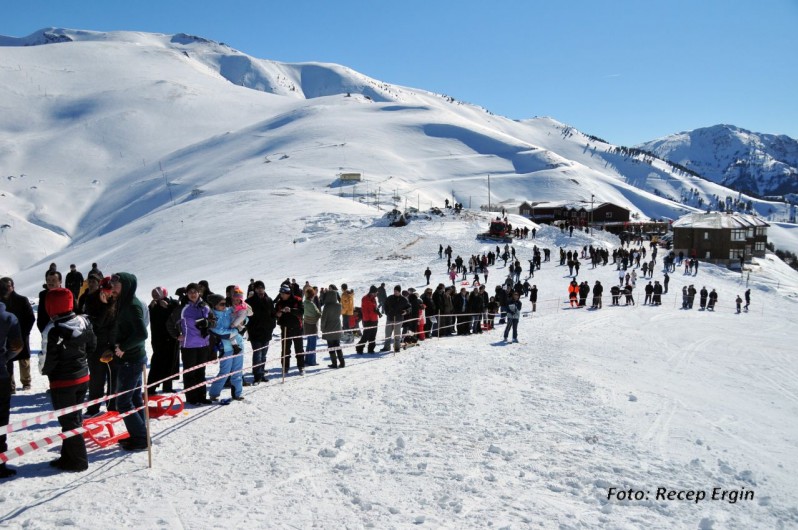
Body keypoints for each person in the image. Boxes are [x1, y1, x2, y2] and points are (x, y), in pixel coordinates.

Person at [40, 287, 95, 471]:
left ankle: (79, 461)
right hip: (83, 376)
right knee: (74, 419)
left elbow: (46, 361)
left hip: (63, 382)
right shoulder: (83, 321)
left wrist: (45, 371)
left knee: (69, 422)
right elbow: (92, 346)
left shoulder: (52, 329)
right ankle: (67, 457)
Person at [109, 273, 149, 451]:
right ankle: (140, 435)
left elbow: (142, 333)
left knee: (123, 402)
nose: (113, 288)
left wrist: (123, 347)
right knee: (134, 397)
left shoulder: (132, 305)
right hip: (131, 358)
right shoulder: (123, 303)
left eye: (116, 285)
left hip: (131, 360)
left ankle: (140, 438)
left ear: (126, 286)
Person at [82, 277, 119, 416]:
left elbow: (116, 326)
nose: (110, 293)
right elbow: (96, 325)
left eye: (112, 290)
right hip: (96, 346)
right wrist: (104, 306)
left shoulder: (117, 301)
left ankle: (112, 406)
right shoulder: (91, 300)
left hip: (113, 346)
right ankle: (93, 409)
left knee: (113, 378)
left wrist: (113, 346)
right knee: (96, 380)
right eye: (107, 290)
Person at [0, 280, 23, 479]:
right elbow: (17, 346)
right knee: (0, 421)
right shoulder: (9, 318)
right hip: (1, 374)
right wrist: (5, 358)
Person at [178, 283, 213, 405]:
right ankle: (192, 398)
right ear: (187, 294)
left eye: (195, 292)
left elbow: (214, 321)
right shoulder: (183, 308)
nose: (192, 294)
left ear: (199, 293)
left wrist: (207, 324)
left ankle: (202, 396)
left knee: (201, 372)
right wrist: (177, 335)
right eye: (190, 292)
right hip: (189, 346)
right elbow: (170, 323)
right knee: (190, 373)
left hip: (203, 344)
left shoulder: (205, 307)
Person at [207, 294, 244, 401]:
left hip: (239, 344)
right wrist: (235, 331)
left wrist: (244, 321)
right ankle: (214, 393)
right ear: (215, 305)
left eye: (225, 303)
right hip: (226, 347)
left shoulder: (229, 310)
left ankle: (237, 393)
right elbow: (218, 331)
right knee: (225, 372)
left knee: (237, 370)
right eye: (222, 304)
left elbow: (243, 315)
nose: (224, 306)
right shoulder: (212, 316)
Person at [1, 277, 35, 393]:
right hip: (5, 336)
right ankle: (10, 385)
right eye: (3, 286)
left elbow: (30, 318)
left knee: (24, 359)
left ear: (13, 287)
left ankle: (26, 382)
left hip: (21, 333)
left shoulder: (22, 300)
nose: (6, 288)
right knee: (7, 360)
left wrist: (25, 332)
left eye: (8, 286)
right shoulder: (0, 302)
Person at [147, 287, 179, 394]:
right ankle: (151, 387)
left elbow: (177, 315)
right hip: (158, 339)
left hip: (171, 338)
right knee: (157, 363)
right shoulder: (153, 305)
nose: (155, 296)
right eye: (154, 294)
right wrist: (151, 308)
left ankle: (167, 386)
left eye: (157, 293)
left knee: (170, 363)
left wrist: (168, 306)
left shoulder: (172, 303)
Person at [245, 281, 276, 384]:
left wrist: (272, 326)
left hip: (266, 332)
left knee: (263, 355)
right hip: (255, 333)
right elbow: (246, 318)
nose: (260, 290)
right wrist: (250, 328)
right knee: (257, 354)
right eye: (258, 288)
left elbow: (273, 315)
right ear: (255, 289)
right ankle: (257, 375)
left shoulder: (269, 300)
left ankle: (261, 373)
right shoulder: (249, 301)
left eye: (261, 288)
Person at [275, 284, 305, 375]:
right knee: (285, 349)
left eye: (283, 294)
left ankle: (301, 366)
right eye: (280, 294)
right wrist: (278, 314)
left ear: (288, 293)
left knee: (299, 348)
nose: (281, 295)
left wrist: (291, 310)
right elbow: (275, 314)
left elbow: (301, 312)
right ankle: (285, 367)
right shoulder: (279, 303)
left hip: (297, 328)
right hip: (285, 329)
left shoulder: (297, 300)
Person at [381, 285, 411, 352]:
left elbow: (409, 307)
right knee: (387, 333)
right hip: (389, 319)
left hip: (398, 319)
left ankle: (397, 347)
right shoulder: (390, 298)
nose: (395, 292)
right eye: (394, 291)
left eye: (397, 291)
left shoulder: (404, 299)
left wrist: (406, 311)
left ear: (400, 291)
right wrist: (387, 312)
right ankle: (386, 347)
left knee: (397, 334)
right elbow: (385, 305)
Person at [321, 286, 344, 368]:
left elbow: (323, 319)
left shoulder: (327, 306)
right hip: (337, 327)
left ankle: (334, 363)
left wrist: (322, 329)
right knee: (337, 346)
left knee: (331, 347)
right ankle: (342, 362)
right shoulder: (339, 305)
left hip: (329, 328)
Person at [356, 286, 381, 354]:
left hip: (374, 319)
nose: (376, 294)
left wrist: (377, 312)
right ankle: (359, 348)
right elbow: (365, 310)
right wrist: (368, 319)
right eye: (376, 292)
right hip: (368, 320)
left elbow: (374, 308)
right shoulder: (365, 298)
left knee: (373, 335)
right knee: (366, 335)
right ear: (372, 292)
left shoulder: (374, 298)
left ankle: (371, 349)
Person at [302, 286, 321, 366]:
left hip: (307, 324)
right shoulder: (311, 304)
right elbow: (318, 313)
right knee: (313, 344)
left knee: (309, 343)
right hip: (312, 325)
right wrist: (319, 314)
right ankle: (312, 361)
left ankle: (307, 359)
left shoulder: (304, 302)